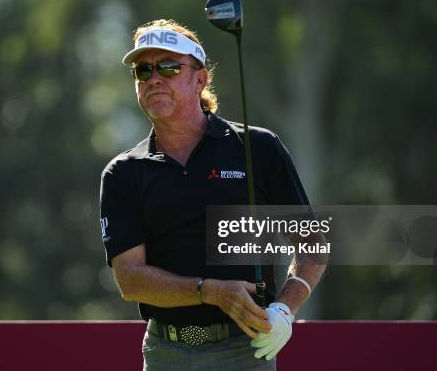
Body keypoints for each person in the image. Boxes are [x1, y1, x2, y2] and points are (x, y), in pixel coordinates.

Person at [99, 19, 326, 370]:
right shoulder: (123, 173)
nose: (154, 78)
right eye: (143, 71)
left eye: (169, 67)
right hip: (164, 353)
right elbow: (130, 280)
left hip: (244, 347)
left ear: (200, 79)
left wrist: (285, 309)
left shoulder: (257, 148)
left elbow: (312, 246)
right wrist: (211, 291)